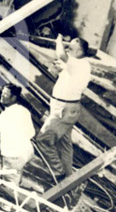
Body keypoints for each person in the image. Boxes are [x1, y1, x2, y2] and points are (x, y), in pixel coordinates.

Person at [34, 34, 91, 180]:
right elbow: (68, 71)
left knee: (43, 140)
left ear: (79, 50)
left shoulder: (80, 63)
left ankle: (58, 173)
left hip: (64, 108)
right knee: (64, 144)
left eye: (71, 47)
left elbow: (60, 54)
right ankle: (68, 177)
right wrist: (63, 68)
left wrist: (58, 39)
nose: (67, 49)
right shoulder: (79, 64)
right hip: (65, 107)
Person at [0, 83, 35, 185]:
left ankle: (14, 193)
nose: (1, 95)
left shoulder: (5, 115)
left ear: (13, 97)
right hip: (28, 151)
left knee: (9, 185)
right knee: (18, 171)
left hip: (13, 156)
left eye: (5, 94)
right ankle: (18, 180)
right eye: (2, 92)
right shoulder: (24, 111)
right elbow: (31, 133)